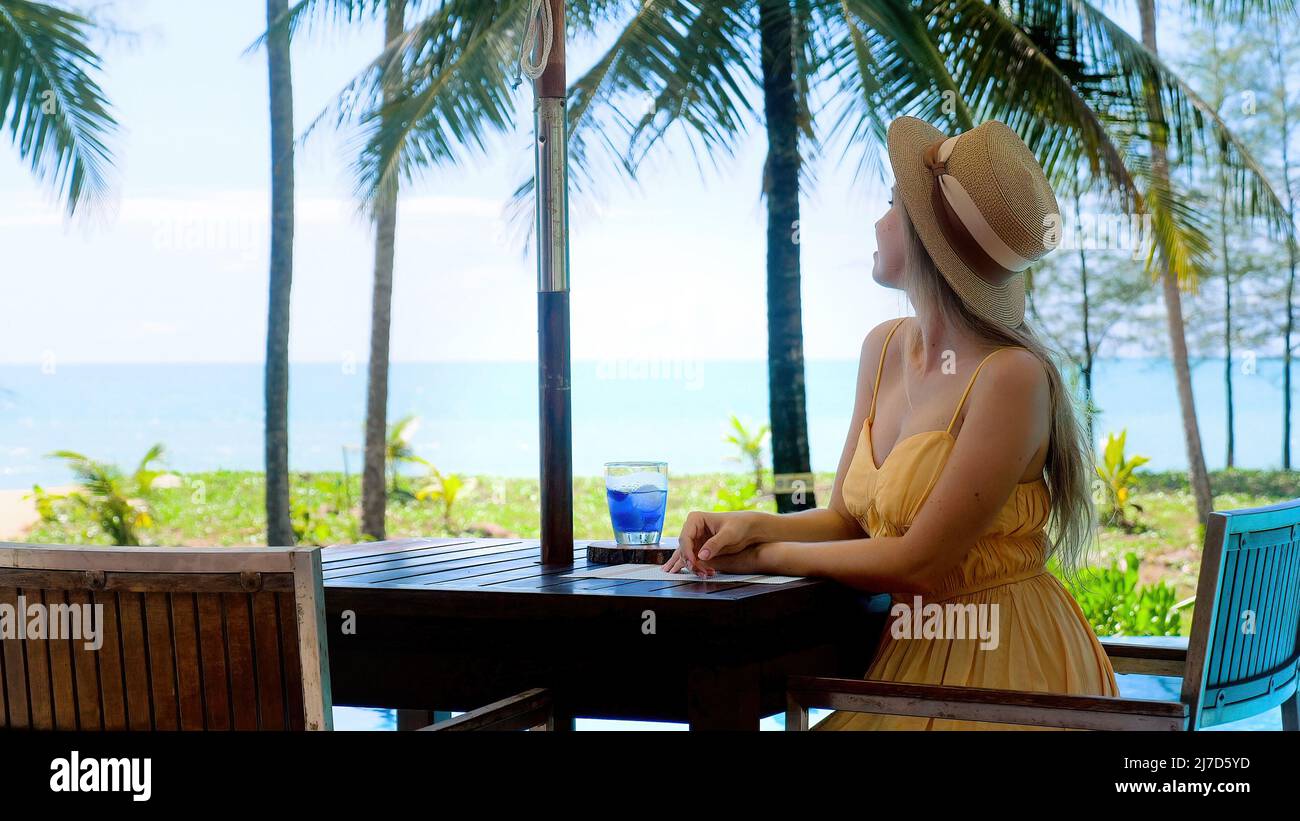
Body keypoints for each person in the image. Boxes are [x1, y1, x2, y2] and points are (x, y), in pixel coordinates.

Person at [663, 116, 1118, 729]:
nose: (875, 223)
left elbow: (920, 565)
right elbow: (850, 522)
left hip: (1001, 667)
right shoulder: (881, 349)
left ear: (928, 241)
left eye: (888, 205)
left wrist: (767, 557)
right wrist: (750, 524)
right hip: (910, 657)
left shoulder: (1012, 377)